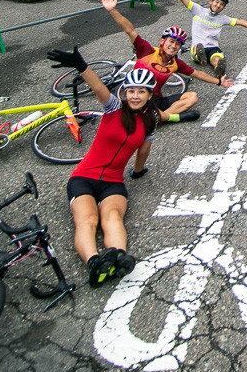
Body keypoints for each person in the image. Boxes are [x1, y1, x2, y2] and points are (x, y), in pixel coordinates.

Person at [46, 49, 193, 287]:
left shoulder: (151, 119)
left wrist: (137, 171)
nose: (135, 96)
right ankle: (94, 263)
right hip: (83, 177)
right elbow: (98, 89)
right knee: (88, 220)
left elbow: (144, 150)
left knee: (113, 218)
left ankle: (119, 258)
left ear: (149, 95)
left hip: (113, 182)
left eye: (141, 92)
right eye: (131, 91)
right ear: (124, 93)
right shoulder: (114, 108)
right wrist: (81, 65)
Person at [100, 0, 234, 163]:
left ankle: (160, 118)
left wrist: (218, 81)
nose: (174, 46)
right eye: (171, 41)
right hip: (136, 97)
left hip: (155, 100)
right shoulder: (146, 50)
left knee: (192, 96)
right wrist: (112, 10)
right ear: (163, 41)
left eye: (178, 44)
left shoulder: (175, 63)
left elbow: (197, 73)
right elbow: (129, 29)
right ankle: (170, 117)